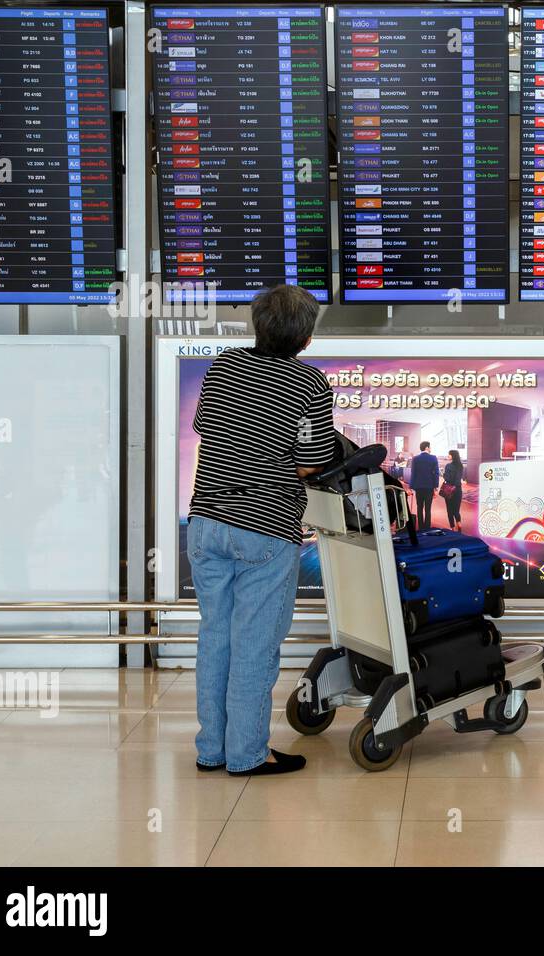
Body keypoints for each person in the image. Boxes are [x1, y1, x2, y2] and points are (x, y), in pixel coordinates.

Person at [187, 284, 335, 776]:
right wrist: (280, 462)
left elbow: (207, 427)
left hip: (206, 522)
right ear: (307, 338)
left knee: (215, 639)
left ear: (257, 324)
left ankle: (212, 750)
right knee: (253, 645)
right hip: (265, 530)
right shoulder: (310, 384)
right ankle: (247, 754)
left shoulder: (223, 366)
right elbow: (313, 462)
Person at [409, 440, 440, 528]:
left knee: (419, 507)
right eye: (430, 447)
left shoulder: (415, 458)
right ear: (427, 447)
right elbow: (436, 473)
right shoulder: (433, 458)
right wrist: (436, 487)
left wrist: (411, 487)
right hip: (429, 487)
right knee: (428, 508)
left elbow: (413, 473)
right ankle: (427, 527)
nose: (430, 449)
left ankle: (421, 527)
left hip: (418, 487)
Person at [442, 449, 465, 531]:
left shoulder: (448, 466)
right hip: (458, 490)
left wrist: (444, 475)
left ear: (453, 456)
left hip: (449, 489)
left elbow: (447, 478)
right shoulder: (460, 466)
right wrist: (456, 485)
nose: (448, 456)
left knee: (449, 510)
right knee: (456, 509)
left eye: (449, 454)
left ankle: (452, 528)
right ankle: (459, 524)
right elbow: (458, 478)